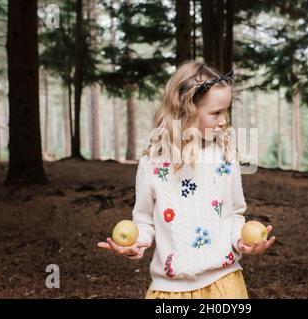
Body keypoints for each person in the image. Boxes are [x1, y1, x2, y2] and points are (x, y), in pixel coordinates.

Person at [98, 61, 276, 299]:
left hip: (224, 284)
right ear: (187, 110)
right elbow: (143, 222)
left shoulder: (226, 155)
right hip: (171, 291)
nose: (224, 121)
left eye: (226, 111)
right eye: (216, 113)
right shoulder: (153, 162)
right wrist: (133, 244)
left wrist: (241, 241)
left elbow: (234, 214)